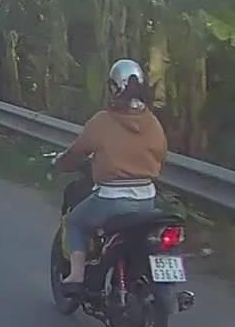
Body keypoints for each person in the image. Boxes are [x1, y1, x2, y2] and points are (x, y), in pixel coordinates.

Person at [53, 59, 168, 297]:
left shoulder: (103, 121)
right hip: (146, 200)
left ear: (114, 87)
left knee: (75, 222)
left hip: (111, 200)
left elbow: (77, 152)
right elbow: (161, 153)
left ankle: (76, 275)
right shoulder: (153, 122)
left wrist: (62, 164)